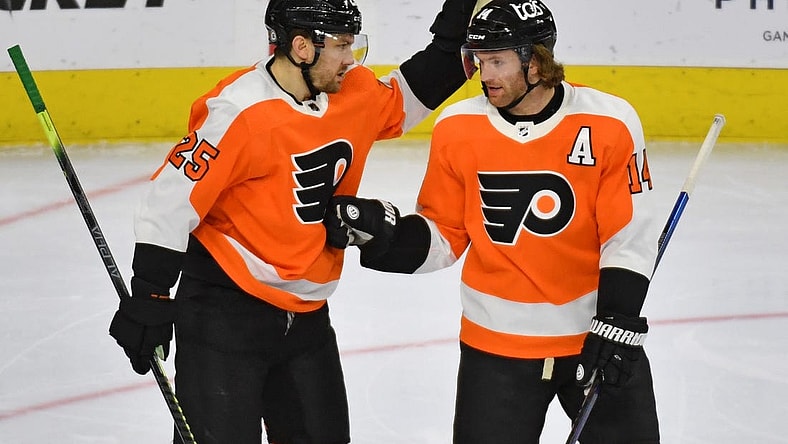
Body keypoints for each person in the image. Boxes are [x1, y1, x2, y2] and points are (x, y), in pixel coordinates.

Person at [106, 0, 479, 442]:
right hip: (223, 314)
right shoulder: (238, 111)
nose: (352, 59)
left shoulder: (352, 92)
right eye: (341, 46)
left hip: (306, 316)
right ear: (302, 48)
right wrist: (151, 291)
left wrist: (451, 38)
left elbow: (408, 97)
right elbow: (169, 202)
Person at [323, 1, 661, 443]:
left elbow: (628, 232)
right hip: (496, 347)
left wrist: (617, 321)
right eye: (480, 61)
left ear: (536, 62)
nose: (485, 77)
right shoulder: (458, 127)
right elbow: (444, 233)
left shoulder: (610, 121)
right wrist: (386, 237)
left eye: (497, 61)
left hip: (593, 338)